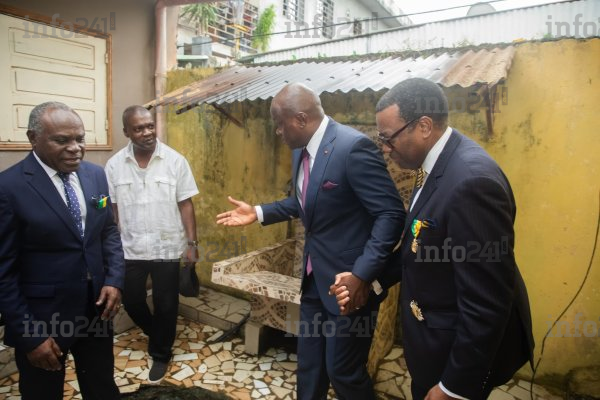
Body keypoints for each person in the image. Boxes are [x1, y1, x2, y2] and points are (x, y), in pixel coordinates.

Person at [332, 78, 534, 400]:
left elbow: (486, 303)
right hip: (430, 345)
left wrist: (454, 388)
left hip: (452, 355)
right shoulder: (432, 164)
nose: (385, 148)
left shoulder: (472, 184)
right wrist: (370, 282)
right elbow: (419, 246)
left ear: (424, 126)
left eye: (388, 138)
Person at [216, 83, 405, 400]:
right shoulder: (300, 150)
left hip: (348, 285)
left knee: (343, 372)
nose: (278, 132)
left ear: (301, 119)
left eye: (280, 124)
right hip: (314, 278)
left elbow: (390, 214)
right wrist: (259, 212)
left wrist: (362, 274)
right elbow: (306, 201)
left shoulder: (352, 148)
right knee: (310, 364)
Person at [0, 102, 124, 399]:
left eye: (80, 139)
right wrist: (31, 336)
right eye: (62, 140)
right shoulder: (8, 187)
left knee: (102, 387)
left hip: (95, 311)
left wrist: (114, 279)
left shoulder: (96, 175)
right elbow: (3, 272)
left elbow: (107, 231)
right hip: (43, 320)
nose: (75, 148)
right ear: (33, 138)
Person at [105, 105, 199, 383]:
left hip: (166, 245)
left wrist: (192, 243)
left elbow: (186, 204)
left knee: (166, 303)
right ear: (126, 132)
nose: (147, 132)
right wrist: (110, 247)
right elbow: (112, 209)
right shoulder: (114, 166)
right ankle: (157, 332)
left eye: (150, 126)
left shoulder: (175, 161)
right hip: (130, 246)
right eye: (139, 128)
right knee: (132, 299)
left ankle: (161, 353)